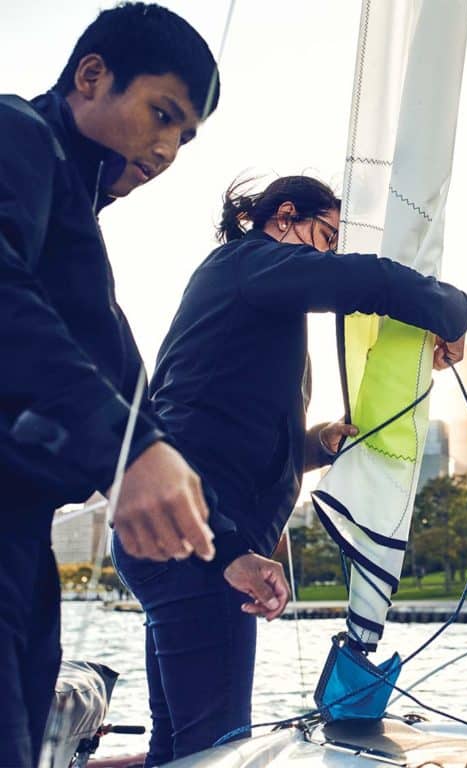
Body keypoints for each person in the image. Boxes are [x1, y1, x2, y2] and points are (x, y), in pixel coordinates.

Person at [113, 174, 467, 763]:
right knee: (215, 751)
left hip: (172, 538)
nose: (326, 254)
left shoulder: (242, 292)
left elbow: (219, 426)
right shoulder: (248, 263)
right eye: (325, 236)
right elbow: (365, 279)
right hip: (196, 542)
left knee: (179, 747)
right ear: (284, 216)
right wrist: (454, 311)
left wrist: (317, 445)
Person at [0, 6, 222, 765]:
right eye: (162, 115)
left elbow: (140, 411)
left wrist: (226, 552)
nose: (165, 150)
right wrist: (127, 447)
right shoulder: (14, 134)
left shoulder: (74, 241)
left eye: (185, 137)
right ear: (90, 76)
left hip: (20, 551)